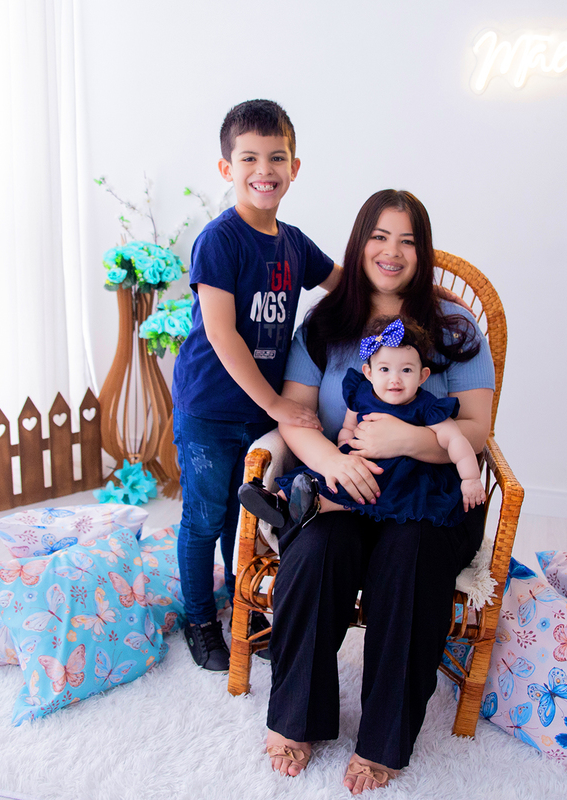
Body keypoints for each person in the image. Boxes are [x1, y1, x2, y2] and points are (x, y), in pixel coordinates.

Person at [261, 189, 495, 794]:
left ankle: (384, 740)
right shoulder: (326, 324)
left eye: (408, 240)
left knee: (407, 559)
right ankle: (298, 718)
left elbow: (477, 429)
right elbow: (297, 414)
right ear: (359, 244)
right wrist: (331, 467)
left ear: (423, 252)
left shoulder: (456, 328)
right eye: (379, 237)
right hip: (348, 484)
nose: (392, 252)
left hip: (429, 494)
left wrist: (406, 442)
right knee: (317, 553)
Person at [170, 99, 342, 671]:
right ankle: (200, 619)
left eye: (276, 157)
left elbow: (344, 289)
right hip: (212, 407)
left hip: (259, 414)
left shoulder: (293, 243)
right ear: (227, 169)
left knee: (243, 519)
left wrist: (396, 320)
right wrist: (277, 405)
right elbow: (221, 334)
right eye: (249, 158)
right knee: (204, 515)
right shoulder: (220, 240)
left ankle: (245, 611)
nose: (263, 169)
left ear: (295, 167)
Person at [238, 315, 486, 543]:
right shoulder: (361, 395)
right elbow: (348, 427)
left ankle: (312, 504)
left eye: (406, 370)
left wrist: (471, 478)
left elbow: (456, 441)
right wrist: (341, 449)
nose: (395, 379)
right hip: (357, 460)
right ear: (368, 372)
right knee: (321, 473)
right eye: (384, 369)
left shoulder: (427, 408)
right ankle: (278, 501)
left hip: (399, 474)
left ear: (423, 376)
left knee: (356, 487)